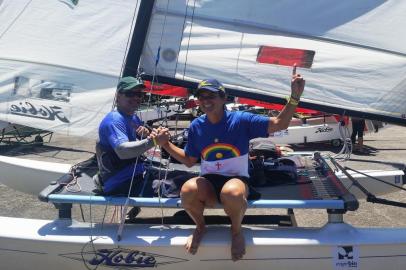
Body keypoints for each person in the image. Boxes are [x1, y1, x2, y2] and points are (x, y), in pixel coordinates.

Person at [161, 65, 305, 261]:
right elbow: (188, 160)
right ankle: (200, 226)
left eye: (211, 96)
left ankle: (236, 231)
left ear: (223, 98)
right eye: (201, 97)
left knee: (231, 193)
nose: (205, 101)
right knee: (187, 191)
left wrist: (294, 97)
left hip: (237, 180)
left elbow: (280, 124)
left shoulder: (241, 120)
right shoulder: (196, 126)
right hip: (209, 182)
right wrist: (166, 144)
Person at [95, 76, 170, 218]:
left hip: (135, 174)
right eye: (130, 94)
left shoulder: (132, 117)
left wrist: (146, 133)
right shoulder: (114, 120)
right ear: (118, 96)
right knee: (180, 187)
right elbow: (123, 151)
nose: (136, 98)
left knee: (177, 176)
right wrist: (153, 141)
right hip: (122, 182)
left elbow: (140, 135)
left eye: (139, 94)